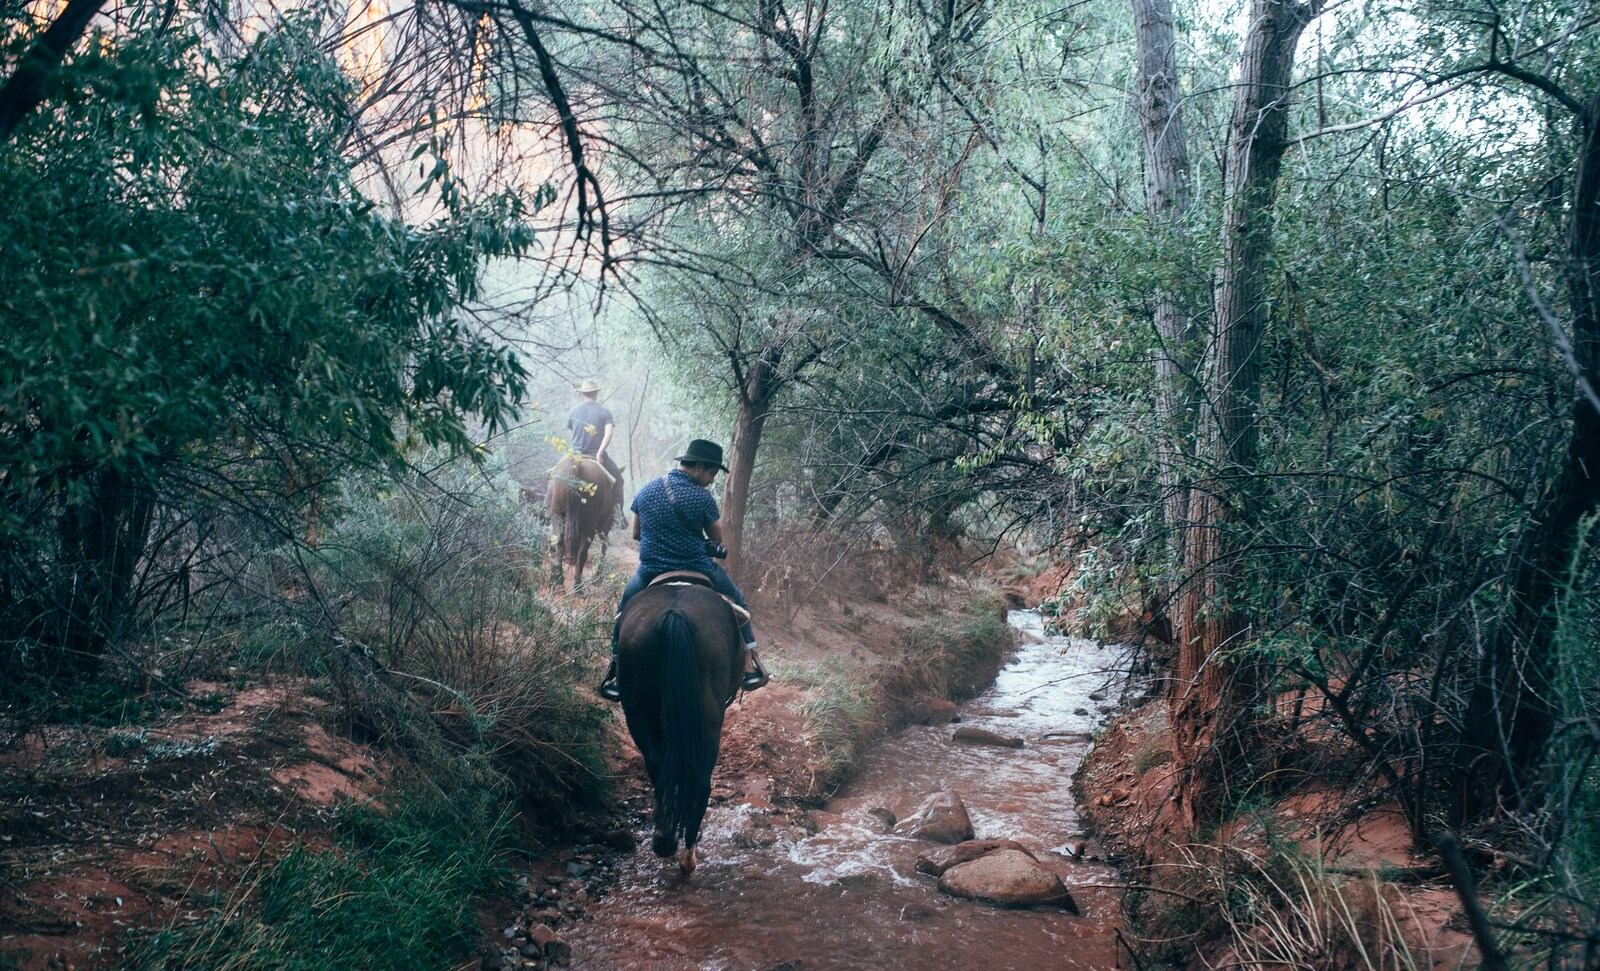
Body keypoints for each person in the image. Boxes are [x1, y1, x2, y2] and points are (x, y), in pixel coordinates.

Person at [598, 439, 769, 701]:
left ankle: (617, 671)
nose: (711, 480)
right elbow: (717, 537)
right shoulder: (702, 497)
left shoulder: (646, 491)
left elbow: (636, 534)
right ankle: (749, 665)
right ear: (698, 467)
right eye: (712, 473)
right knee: (739, 602)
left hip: (651, 569)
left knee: (623, 612)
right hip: (698, 566)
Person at [567, 378, 623, 488]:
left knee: (553, 475)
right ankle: (616, 500)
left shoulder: (572, 411)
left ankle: (546, 499)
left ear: (582, 394)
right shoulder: (605, 412)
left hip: (574, 454)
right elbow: (609, 433)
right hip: (595, 455)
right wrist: (600, 453)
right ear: (596, 393)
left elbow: (573, 433)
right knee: (619, 480)